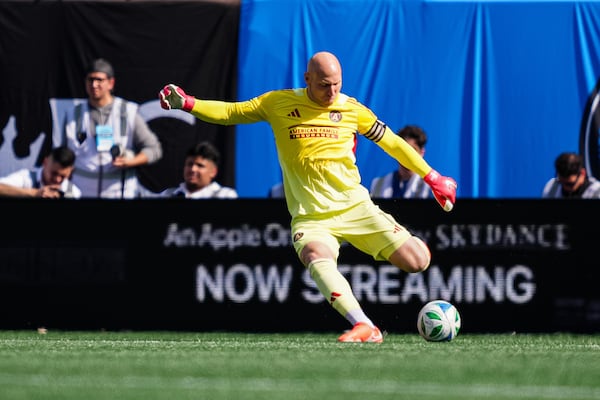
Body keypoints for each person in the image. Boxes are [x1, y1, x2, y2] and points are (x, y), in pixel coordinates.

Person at [158, 51, 457, 343]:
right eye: (324, 84)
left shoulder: (352, 109)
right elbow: (231, 112)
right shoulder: (278, 103)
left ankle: (412, 245)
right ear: (307, 79)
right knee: (315, 255)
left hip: (356, 207)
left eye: (337, 84)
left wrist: (432, 177)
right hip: (312, 217)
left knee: (417, 262)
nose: (332, 91)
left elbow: (392, 142)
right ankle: (365, 325)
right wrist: (187, 103)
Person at [62, 58, 163, 198]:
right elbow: (62, 155)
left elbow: (154, 149)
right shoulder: (73, 113)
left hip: (119, 191)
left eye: (99, 80)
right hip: (81, 192)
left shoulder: (128, 111)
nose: (94, 85)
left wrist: (131, 161)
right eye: (90, 79)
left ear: (111, 83)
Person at [369, 125, 431, 198]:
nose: (408, 156)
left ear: (422, 153)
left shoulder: (429, 189)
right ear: (396, 152)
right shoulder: (378, 184)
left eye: (413, 150)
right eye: (404, 151)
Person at [160, 141, 238, 198]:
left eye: (200, 166)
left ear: (213, 172)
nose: (193, 169)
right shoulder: (168, 194)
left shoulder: (225, 196)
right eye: (190, 164)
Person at [0, 145, 81, 198]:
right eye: (54, 173)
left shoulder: (74, 193)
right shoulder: (26, 178)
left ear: (71, 171)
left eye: (63, 176)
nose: (57, 179)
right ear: (45, 163)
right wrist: (34, 193)